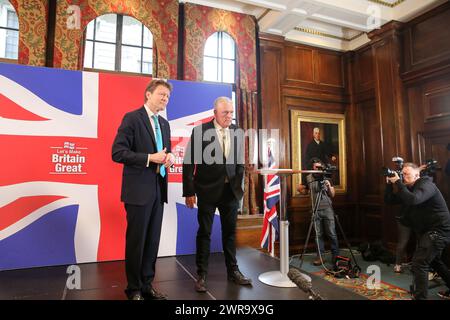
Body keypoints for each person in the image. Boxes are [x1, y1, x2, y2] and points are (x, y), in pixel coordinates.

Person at [112, 79, 175, 300]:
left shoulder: (164, 124)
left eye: (167, 96)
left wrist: (169, 158)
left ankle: (147, 285)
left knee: (152, 241)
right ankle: (134, 288)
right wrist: (150, 158)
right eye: (161, 94)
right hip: (138, 192)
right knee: (137, 242)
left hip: (159, 190)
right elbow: (118, 152)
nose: (165, 99)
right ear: (148, 95)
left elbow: (165, 152)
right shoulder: (132, 118)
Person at [182, 96, 252, 293]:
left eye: (231, 112)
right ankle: (201, 274)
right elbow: (189, 163)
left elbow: (239, 162)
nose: (229, 116)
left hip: (231, 192)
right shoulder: (200, 131)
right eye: (225, 113)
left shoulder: (237, 131)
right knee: (204, 233)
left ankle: (233, 271)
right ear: (215, 113)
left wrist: (240, 187)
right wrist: (189, 191)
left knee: (229, 234)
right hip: (207, 190)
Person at [386, 162, 450, 300]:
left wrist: (398, 182)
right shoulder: (409, 188)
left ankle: (419, 298)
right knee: (434, 262)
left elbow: (414, 200)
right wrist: (389, 184)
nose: (403, 176)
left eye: (407, 174)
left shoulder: (426, 184)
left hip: (439, 230)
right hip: (427, 231)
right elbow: (389, 200)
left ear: (417, 175)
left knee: (419, 262)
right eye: (402, 174)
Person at [298, 157, 339, 266]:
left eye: (319, 166)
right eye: (316, 167)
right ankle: (320, 257)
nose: (318, 168)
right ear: (312, 168)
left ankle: (336, 257)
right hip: (314, 209)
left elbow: (333, 194)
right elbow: (304, 191)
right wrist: (300, 189)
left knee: (332, 233)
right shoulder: (308, 178)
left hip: (327, 208)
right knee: (317, 235)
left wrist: (328, 185)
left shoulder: (327, 177)